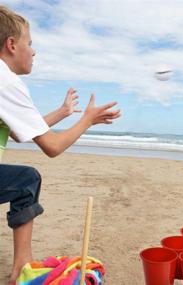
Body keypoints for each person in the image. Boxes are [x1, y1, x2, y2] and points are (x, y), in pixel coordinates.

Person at [0, 5, 121, 284]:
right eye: (30, 44)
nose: (34, 51)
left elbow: (20, 133)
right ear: (11, 44)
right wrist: (87, 121)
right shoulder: (6, 81)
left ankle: (23, 263)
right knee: (26, 179)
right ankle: (23, 266)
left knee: (23, 179)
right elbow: (52, 146)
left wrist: (63, 113)